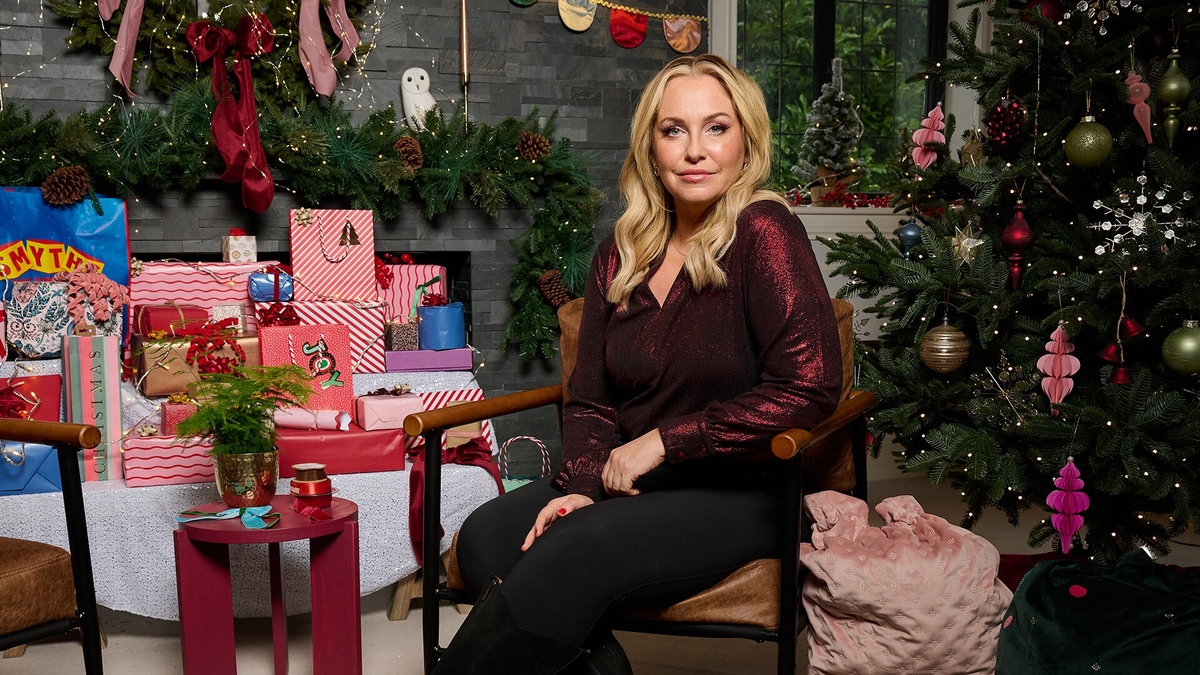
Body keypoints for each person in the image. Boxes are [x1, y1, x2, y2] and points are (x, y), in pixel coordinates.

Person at [434, 54, 843, 675]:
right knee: (488, 536)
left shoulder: (765, 230)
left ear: (746, 140)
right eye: (673, 130)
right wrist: (584, 487)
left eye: (717, 127)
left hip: (740, 489)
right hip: (630, 485)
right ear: (650, 148)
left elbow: (809, 386)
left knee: (571, 551)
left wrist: (664, 443)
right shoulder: (619, 254)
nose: (695, 150)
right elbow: (591, 401)